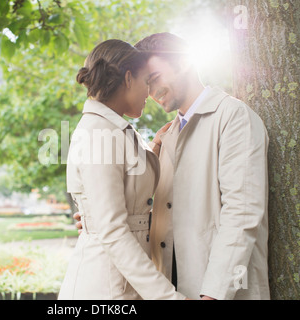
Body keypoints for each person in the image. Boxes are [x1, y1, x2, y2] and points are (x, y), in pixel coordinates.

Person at [75, 33, 270, 300]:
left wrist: (213, 294)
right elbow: (172, 212)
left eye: (153, 78)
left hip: (217, 291)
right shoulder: (168, 135)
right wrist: (101, 216)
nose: (150, 91)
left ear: (184, 63)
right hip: (174, 286)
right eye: (146, 81)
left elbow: (243, 215)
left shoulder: (234, 118)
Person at [58, 39, 186, 300]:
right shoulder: (99, 134)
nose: (149, 93)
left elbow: (128, 190)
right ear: (128, 78)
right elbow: (113, 230)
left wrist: (154, 150)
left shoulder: (114, 131)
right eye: (146, 82)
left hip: (124, 283)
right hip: (104, 288)